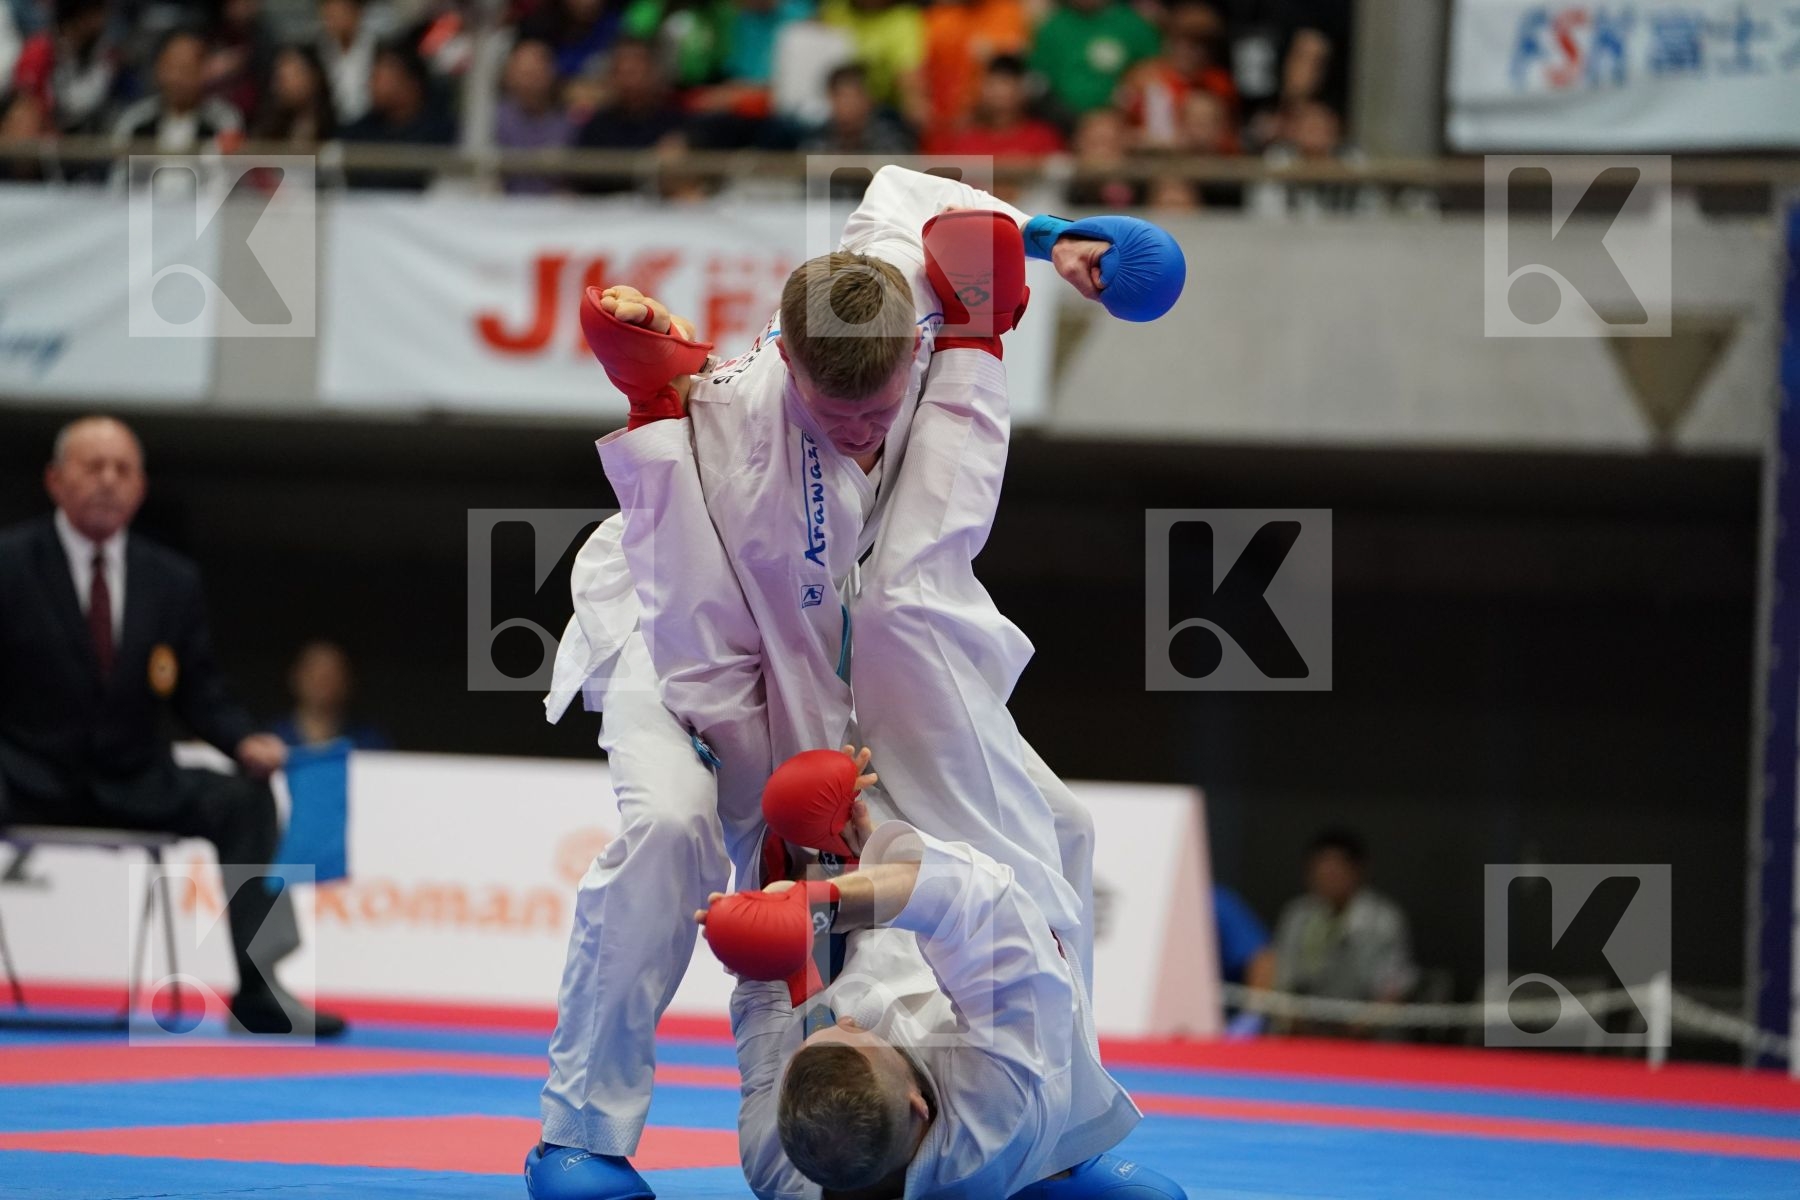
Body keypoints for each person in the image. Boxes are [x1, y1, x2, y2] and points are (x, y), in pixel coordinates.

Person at [529, 166, 1183, 1197]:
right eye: (843, 422)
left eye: (884, 414)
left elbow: (908, 194)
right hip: (675, 632)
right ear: (791, 364)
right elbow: (712, 656)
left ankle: (1055, 1131)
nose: (868, 435)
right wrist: (786, 830)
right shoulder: (734, 440)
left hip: (835, 638)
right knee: (674, 827)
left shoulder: (884, 295)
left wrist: (1052, 238)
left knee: (1055, 826)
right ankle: (582, 1136)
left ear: (917, 343)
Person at [0, 417, 345, 1038]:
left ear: (139, 486)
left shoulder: (170, 579)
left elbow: (199, 689)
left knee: (244, 799)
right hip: (25, 771)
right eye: (92, 466)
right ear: (55, 480)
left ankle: (261, 990)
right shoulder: (10, 564)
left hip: (136, 777)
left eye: (122, 469)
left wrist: (243, 740)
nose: (108, 480)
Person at [703, 762, 1184, 1200]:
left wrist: (752, 928)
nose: (846, 1021)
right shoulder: (996, 1105)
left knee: (798, 805)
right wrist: (827, 896)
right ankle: (1061, 1160)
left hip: (872, 963)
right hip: (1000, 1025)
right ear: (919, 1108)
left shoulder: (777, 1159)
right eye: (858, 1036)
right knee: (1066, 825)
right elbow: (981, 904)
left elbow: (766, 1008)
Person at [1271, 828, 1417, 1013]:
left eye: (1335, 870)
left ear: (1357, 871)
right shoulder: (1297, 915)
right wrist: (1292, 1016)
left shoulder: (1384, 919)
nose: (1327, 877)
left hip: (1365, 1029)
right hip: (1307, 1027)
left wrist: (1362, 1025)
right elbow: (1282, 976)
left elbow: (1394, 986)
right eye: (1320, 869)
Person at [340, 39, 456, 191]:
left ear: (411, 83)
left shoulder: (443, 134)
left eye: (379, 77)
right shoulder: (356, 133)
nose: (370, 85)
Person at [112, 27, 244, 152]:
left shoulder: (224, 120)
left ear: (204, 70)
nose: (177, 78)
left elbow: (226, 172)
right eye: (171, 67)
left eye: (186, 69)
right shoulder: (135, 120)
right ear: (158, 68)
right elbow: (122, 171)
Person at [1029, 0, 1160, 119]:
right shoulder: (1051, 27)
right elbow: (1039, 78)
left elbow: (1153, 71)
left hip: (1122, 116)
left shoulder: (1134, 25)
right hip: (1065, 119)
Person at [271, 640, 390, 751]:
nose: (322, 683)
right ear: (295, 677)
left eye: (331, 675)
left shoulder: (369, 740)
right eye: (314, 675)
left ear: (347, 681)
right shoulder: (271, 738)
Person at [494, 37, 574, 195]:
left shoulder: (569, 122)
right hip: (502, 207)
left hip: (555, 210)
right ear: (509, 76)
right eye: (523, 73)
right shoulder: (492, 120)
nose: (528, 82)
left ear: (550, 74)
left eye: (535, 73)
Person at [798, 62, 912, 155]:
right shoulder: (817, 142)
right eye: (841, 96)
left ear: (870, 99)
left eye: (854, 97)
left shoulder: (890, 141)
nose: (848, 105)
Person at [250, 42, 339, 148]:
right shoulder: (268, 130)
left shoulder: (335, 132)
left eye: (289, 76)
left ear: (314, 77)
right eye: (279, 77)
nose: (280, 85)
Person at [316, 0, 379, 125]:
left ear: (356, 13)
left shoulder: (378, 47)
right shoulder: (321, 50)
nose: (331, 22)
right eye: (328, 16)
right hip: (333, 123)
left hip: (372, 122)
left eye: (337, 14)